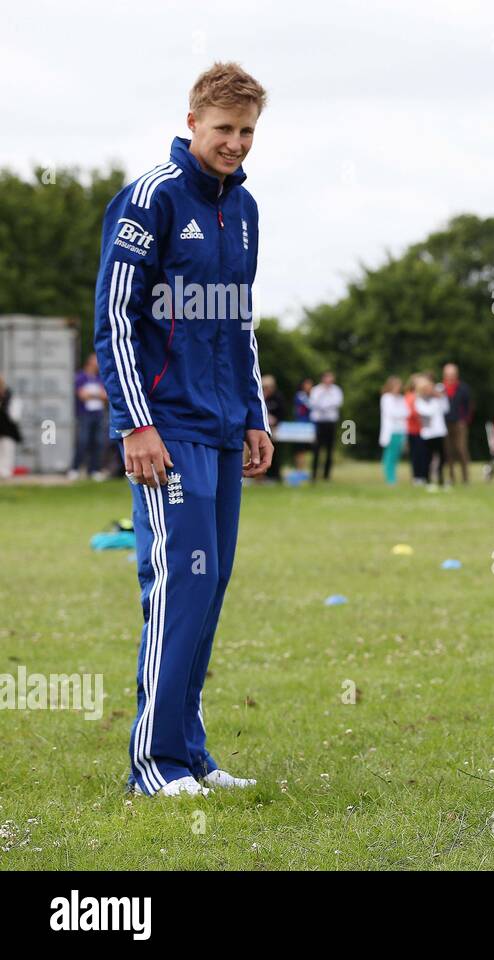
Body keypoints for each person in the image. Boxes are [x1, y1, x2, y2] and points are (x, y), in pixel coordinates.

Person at [92, 61, 271, 798]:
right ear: (192, 121)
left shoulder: (247, 207)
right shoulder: (150, 199)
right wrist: (135, 423)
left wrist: (254, 415)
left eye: (248, 132)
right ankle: (153, 764)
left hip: (225, 429)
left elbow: (240, 322)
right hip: (166, 432)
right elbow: (114, 320)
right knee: (178, 590)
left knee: (211, 587)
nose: (235, 144)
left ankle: (191, 756)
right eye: (224, 129)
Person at [71, 354, 110, 480]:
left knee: (98, 443)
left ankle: (94, 469)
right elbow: (82, 395)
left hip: (98, 415)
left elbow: (106, 396)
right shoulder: (80, 377)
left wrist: (93, 394)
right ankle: (75, 469)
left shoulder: (99, 378)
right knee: (83, 441)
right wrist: (98, 394)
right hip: (84, 415)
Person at [414, 374, 449, 489]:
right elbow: (427, 413)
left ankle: (441, 480)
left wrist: (441, 397)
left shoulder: (438, 399)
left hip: (440, 432)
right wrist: (436, 399)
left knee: (442, 457)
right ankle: (428, 480)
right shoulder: (420, 401)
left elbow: (446, 409)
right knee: (428, 458)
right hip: (429, 434)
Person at [442, 362, 473, 485]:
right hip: (444, 424)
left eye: (452, 374)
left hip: (459, 423)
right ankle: (451, 477)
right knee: (448, 451)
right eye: (448, 374)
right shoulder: (440, 388)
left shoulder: (463, 388)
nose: (450, 377)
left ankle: (465, 478)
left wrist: (464, 419)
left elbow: (469, 406)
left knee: (461, 449)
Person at [309, 370, 343, 481]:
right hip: (319, 422)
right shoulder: (316, 390)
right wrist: (325, 404)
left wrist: (325, 406)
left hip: (330, 422)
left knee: (329, 449)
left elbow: (337, 403)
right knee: (316, 449)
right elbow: (314, 403)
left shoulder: (336, 390)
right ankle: (314, 474)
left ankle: (326, 475)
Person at [378, 376, 408, 485]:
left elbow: (406, 413)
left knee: (396, 455)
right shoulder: (386, 398)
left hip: (400, 430)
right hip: (391, 431)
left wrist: (400, 414)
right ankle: (390, 478)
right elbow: (392, 413)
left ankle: (393, 476)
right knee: (389, 455)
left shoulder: (401, 398)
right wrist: (401, 414)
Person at [262, 374, 285, 482]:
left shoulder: (278, 397)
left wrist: (275, 420)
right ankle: (262, 476)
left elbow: (282, 413)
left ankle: (275, 475)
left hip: (275, 429)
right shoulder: (260, 397)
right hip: (262, 429)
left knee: (273, 451)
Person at [0, 374, 22, 479]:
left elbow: (15, 416)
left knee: (7, 450)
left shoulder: (10, 396)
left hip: (7, 428)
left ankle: (5, 473)